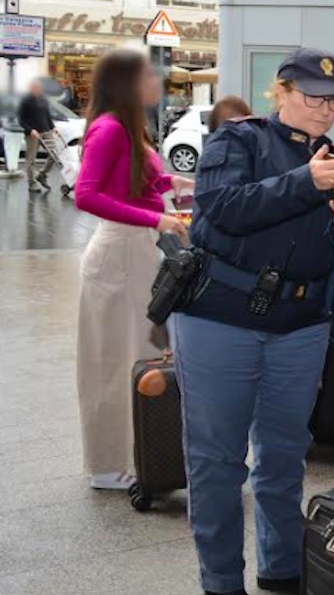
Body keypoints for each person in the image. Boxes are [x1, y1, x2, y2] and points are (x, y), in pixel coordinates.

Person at [171, 48, 334, 595]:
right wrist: (306, 183)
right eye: (315, 96)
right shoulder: (239, 139)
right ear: (283, 91)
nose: (326, 108)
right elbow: (219, 211)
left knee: (283, 459)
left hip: (300, 326)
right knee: (218, 464)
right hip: (220, 320)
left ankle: (283, 572)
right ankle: (222, 582)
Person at [73, 49, 193, 490]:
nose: (156, 80)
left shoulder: (127, 128)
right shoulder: (109, 130)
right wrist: (155, 218)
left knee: (139, 357)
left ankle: (137, 452)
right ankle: (107, 465)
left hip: (136, 253)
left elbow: (134, 183)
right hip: (119, 255)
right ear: (126, 82)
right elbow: (85, 195)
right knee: (111, 361)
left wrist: (171, 185)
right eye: (147, 75)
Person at [19, 79, 56, 192]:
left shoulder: (43, 99)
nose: (38, 90)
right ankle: (32, 183)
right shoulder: (25, 101)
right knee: (31, 159)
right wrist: (30, 130)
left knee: (54, 154)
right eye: (36, 88)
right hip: (33, 134)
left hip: (45, 130)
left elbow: (47, 115)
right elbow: (21, 120)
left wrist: (53, 127)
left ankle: (42, 175)